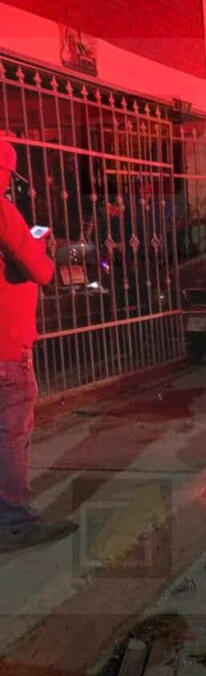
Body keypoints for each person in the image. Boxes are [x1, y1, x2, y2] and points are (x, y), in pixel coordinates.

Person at [0, 139, 74, 550]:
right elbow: (41, 271)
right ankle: (15, 521)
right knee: (10, 434)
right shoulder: (2, 211)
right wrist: (40, 244)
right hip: (6, 348)